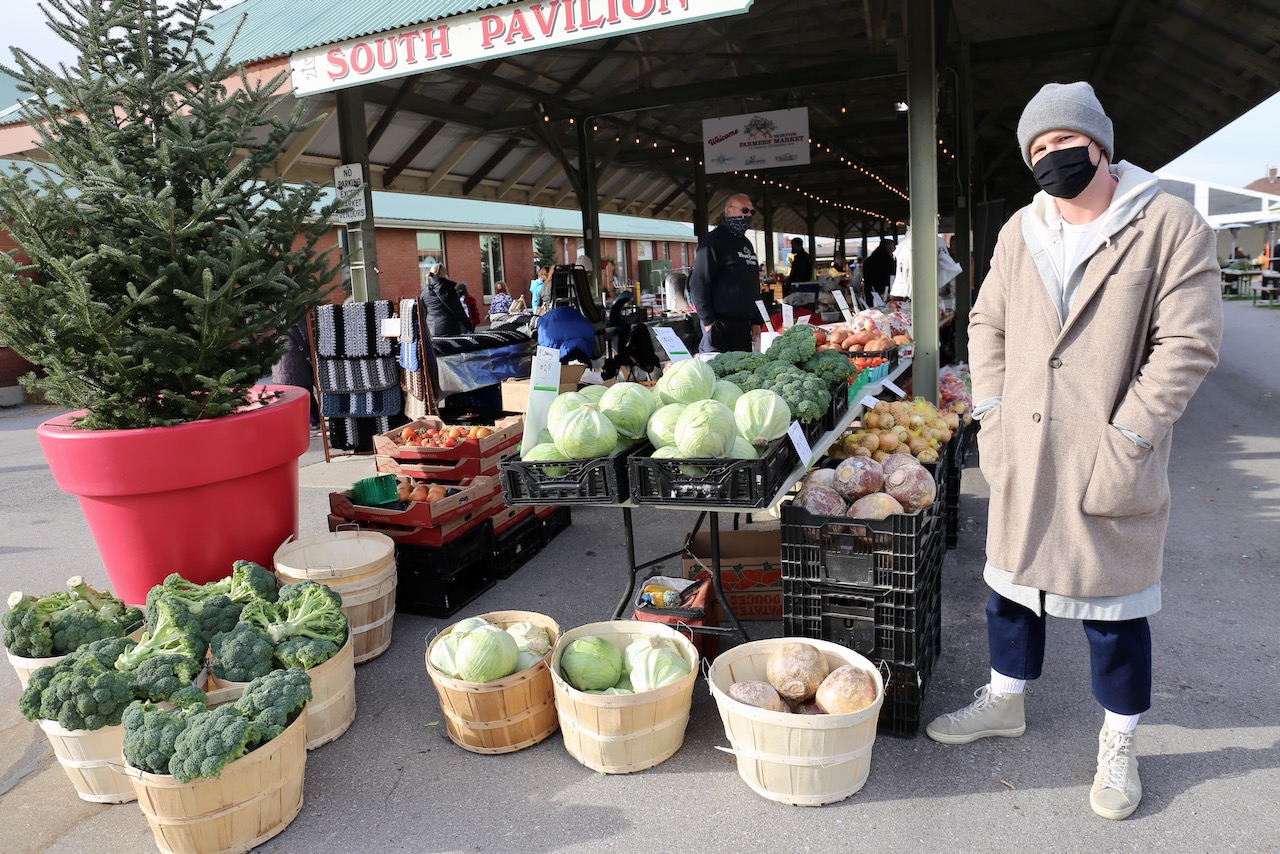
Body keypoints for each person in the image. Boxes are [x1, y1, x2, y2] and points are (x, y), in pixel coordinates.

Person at [924, 81, 1223, 823]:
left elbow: (1188, 343)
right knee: (1010, 587)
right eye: (1038, 150)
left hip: (1107, 450)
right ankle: (1005, 699)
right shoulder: (1023, 230)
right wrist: (989, 412)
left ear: (1100, 145)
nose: (1051, 159)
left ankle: (1120, 741)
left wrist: (1129, 435)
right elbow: (986, 323)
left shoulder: (1169, 224)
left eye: (1063, 144)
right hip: (1023, 441)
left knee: (1113, 609)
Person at [688, 193, 761, 353]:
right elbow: (698, 282)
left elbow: (753, 283)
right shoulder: (713, 241)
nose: (748, 215)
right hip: (720, 323)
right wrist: (708, 321)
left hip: (743, 325)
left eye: (751, 212)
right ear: (729, 211)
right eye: (744, 210)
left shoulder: (746, 244)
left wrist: (757, 320)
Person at [271, 318, 320, 435]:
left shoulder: (279, 316)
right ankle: (315, 421)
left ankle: (304, 423)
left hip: (283, 362)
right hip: (296, 361)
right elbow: (307, 336)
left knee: (295, 393)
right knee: (305, 392)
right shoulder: (299, 312)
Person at [420, 262, 472, 337]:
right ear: (442, 275)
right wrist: (469, 326)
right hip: (449, 328)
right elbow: (458, 310)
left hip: (431, 329)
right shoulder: (448, 289)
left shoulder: (424, 292)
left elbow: (424, 312)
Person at [862, 238, 895, 305]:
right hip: (885, 295)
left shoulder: (868, 260)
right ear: (890, 249)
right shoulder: (888, 262)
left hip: (870, 293)